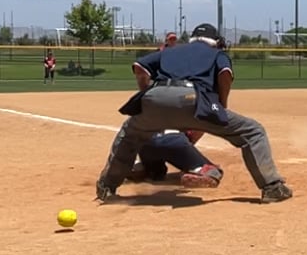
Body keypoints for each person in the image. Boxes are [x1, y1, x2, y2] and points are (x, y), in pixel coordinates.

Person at [94, 22, 293, 203]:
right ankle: (272, 187)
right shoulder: (217, 54)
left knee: (130, 134)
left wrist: (149, 95)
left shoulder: (170, 51)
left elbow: (139, 67)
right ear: (215, 41)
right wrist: (221, 105)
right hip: (195, 100)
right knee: (253, 131)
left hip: (155, 96)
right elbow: (225, 74)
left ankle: (107, 187)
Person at [124, 129, 224, 189]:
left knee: (155, 173)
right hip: (175, 141)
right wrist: (188, 152)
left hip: (146, 144)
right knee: (214, 171)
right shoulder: (189, 106)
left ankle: (143, 170)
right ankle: (200, 171)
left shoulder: (148, 106)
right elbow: (196, 132)